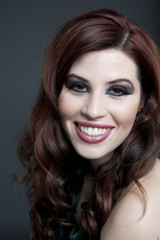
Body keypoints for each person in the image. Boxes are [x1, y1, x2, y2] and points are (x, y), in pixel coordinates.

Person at [17, 8, 160, 240]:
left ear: (143, 100)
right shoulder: (76, 171)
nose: (93, 111)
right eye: (78, 87)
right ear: (56, 92)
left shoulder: (138, 212)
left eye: (117, 90)